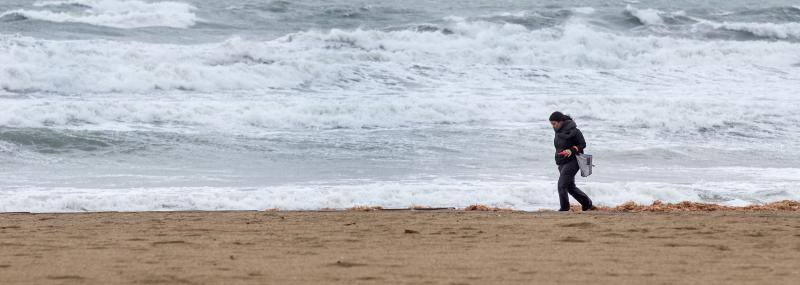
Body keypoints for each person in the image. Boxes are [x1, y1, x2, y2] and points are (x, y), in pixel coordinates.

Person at [549, 111, 595, 211]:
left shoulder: (575, 131)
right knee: (569, 186)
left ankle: (564, 209)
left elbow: (582, 144)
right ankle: (587, 204)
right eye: (551, 124)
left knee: (561, 185)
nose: (553, 126)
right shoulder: (558, 132)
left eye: (554, 124)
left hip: (574, 160)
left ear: (561, 122)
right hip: (562, 161)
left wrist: (571, 150)